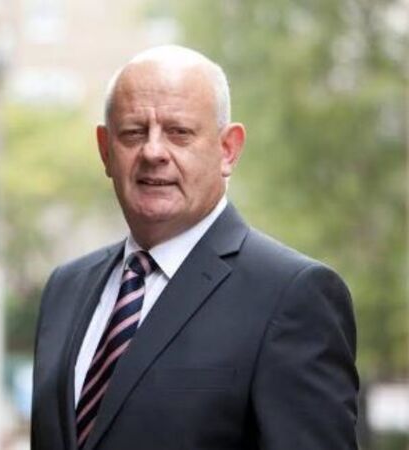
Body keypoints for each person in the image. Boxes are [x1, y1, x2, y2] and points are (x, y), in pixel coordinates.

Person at [30, 45, 359, 450]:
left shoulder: (291, 296)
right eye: (133, 132)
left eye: (179, 132)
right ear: (105, 149)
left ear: (228, 149)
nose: (153, 152)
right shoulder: (65, 289)